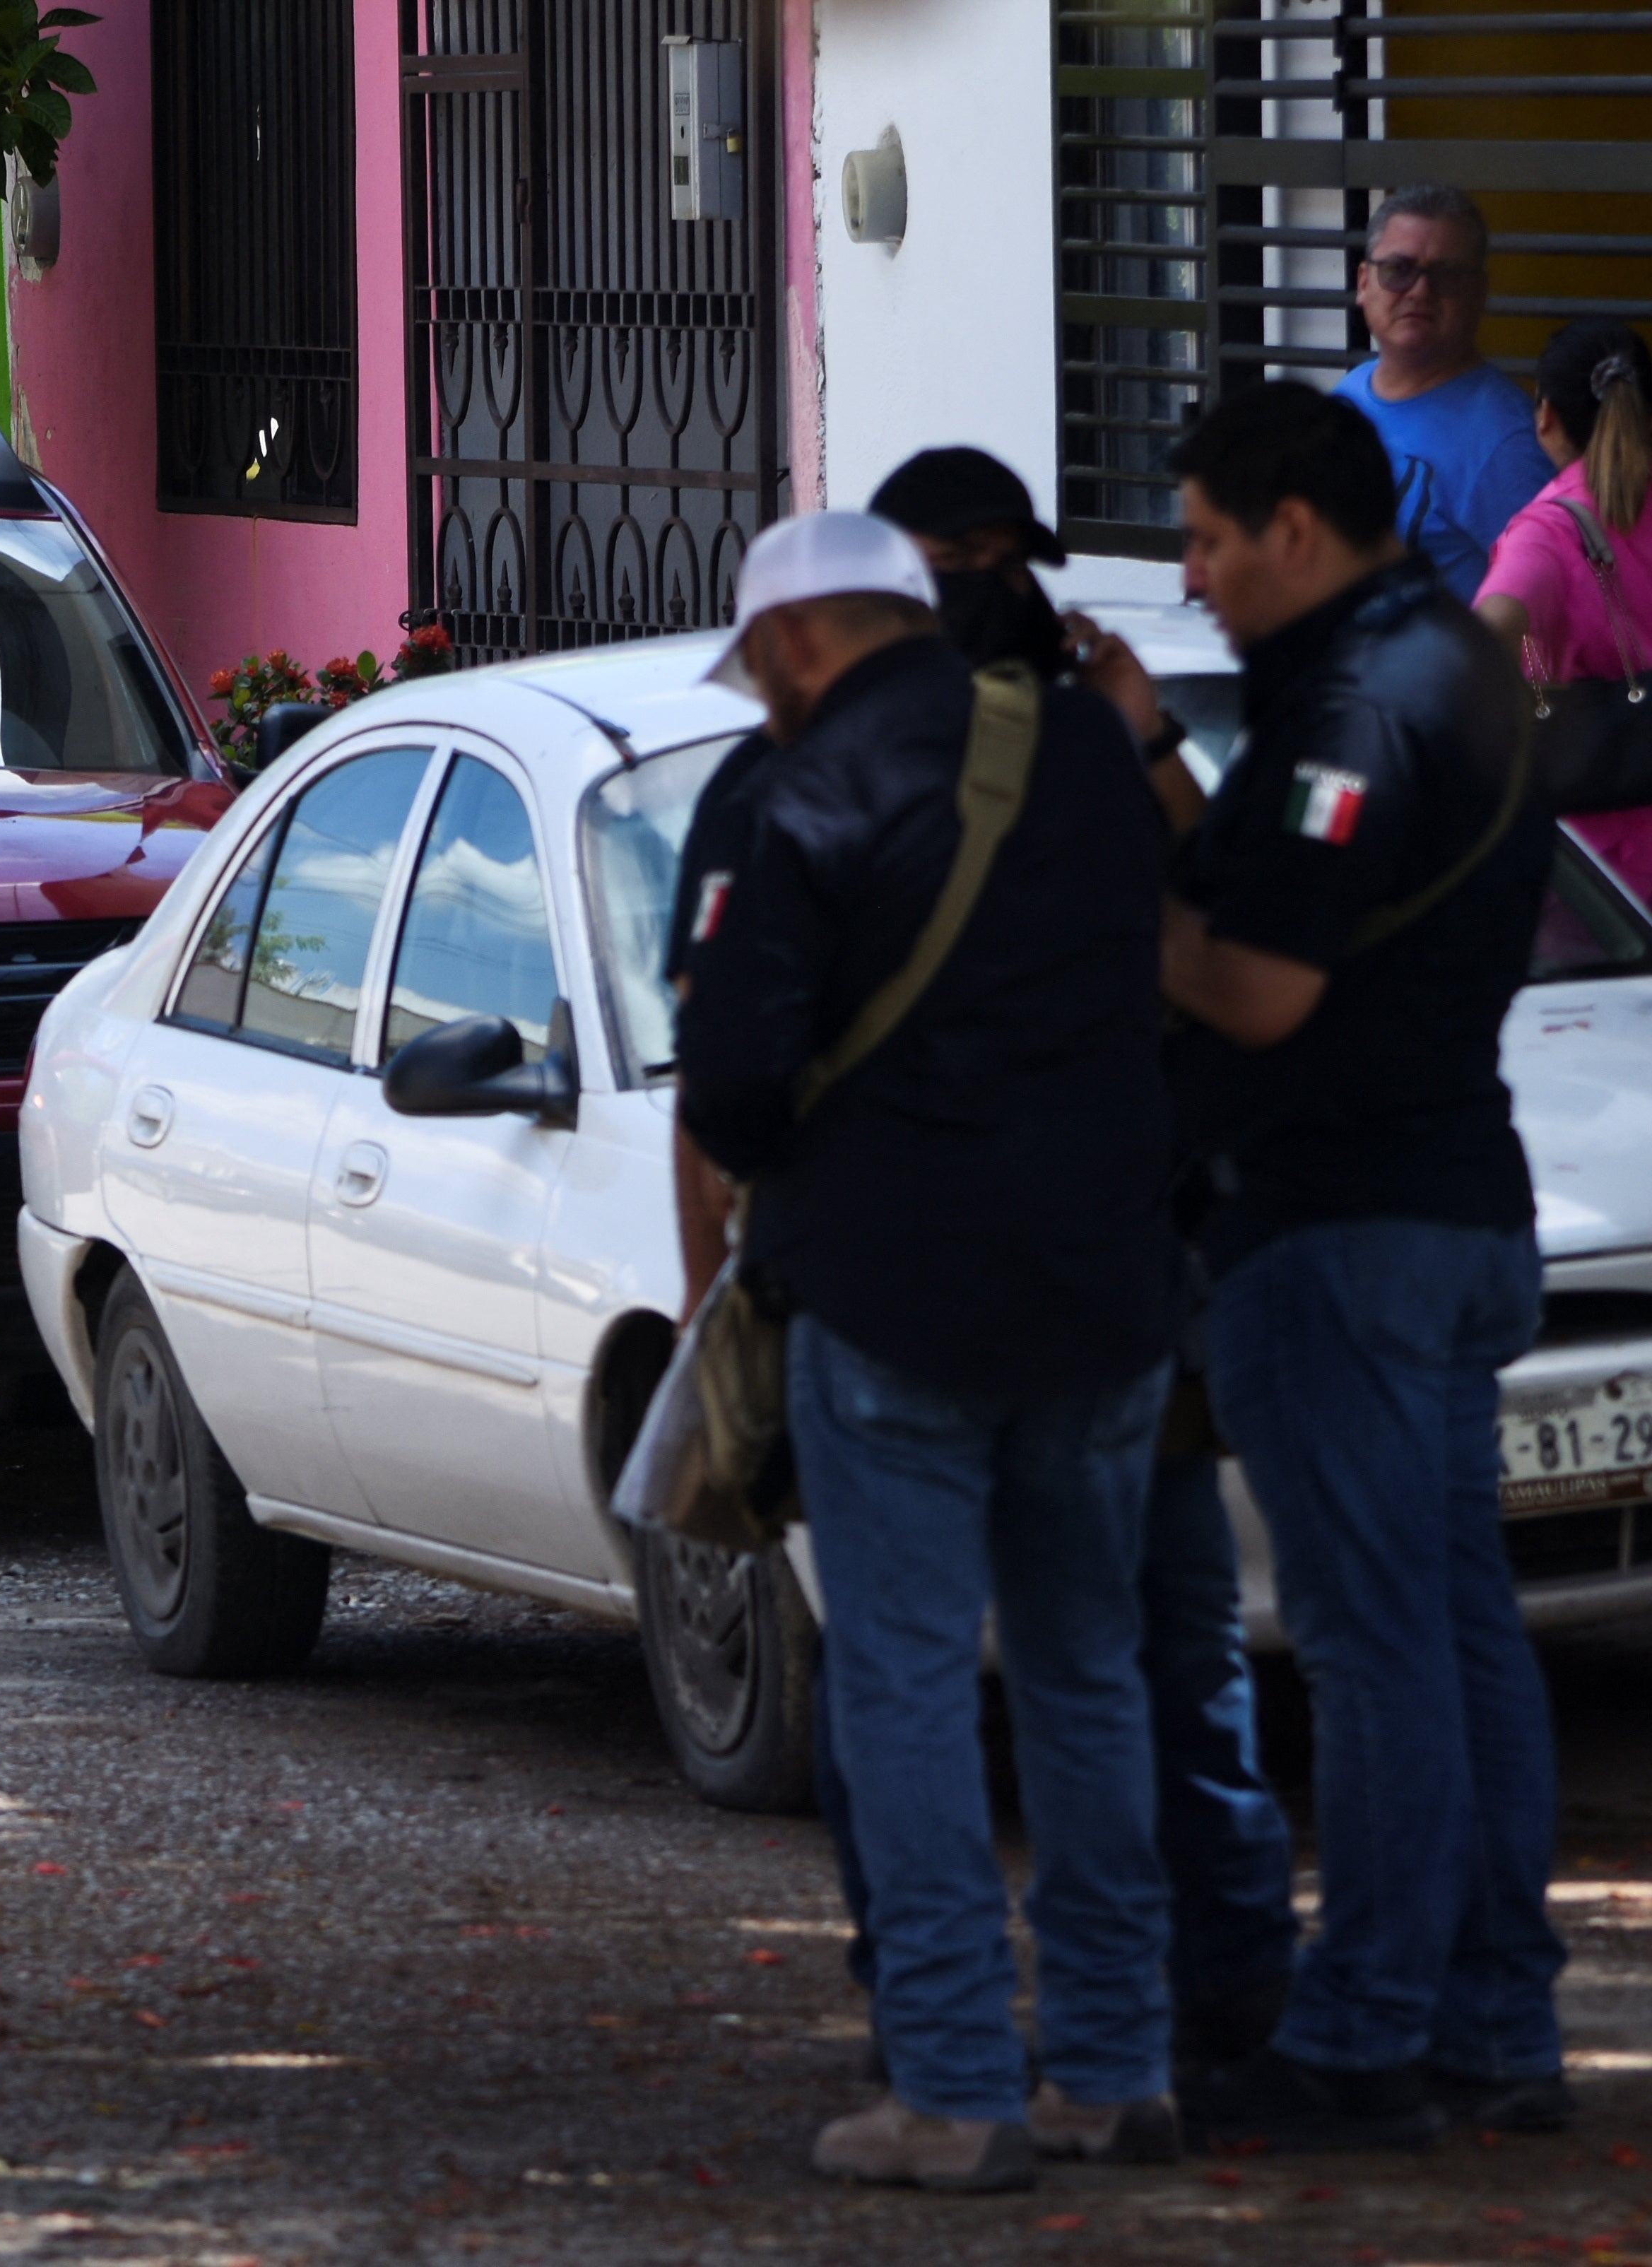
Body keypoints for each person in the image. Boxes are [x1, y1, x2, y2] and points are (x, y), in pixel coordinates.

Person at [673, 510, 1181, 2193]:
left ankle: (953, 2086)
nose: (758, 697)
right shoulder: (1090, 760)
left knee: (896, 1683)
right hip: (1106, 1284)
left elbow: (731, 1081)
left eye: (757, 664)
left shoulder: (796, 796)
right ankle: (1112, 2068)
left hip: (891, 1292)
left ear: (801, 642)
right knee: (1087, 1677)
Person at [1160, 381, 1567, 2152]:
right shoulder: (1456, 664)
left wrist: (1117, 893)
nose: (1188, 582)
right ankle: (1491, 2029)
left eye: (1201, 540)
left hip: (1341, 1233)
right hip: (1454, 1204)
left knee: (1380, 1646)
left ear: (1292, 532)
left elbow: (1262, 984)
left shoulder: (1355, 706)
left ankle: (1363, 2036)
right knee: (1462, 1638)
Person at [863, 447, 1304, 2068]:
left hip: (1101, 1272)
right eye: (967, 559)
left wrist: (1145, 743)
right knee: (1056, 1664)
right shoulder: (880, 757)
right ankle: (1032, 2018)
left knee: (1126, 1654)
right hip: (1060, 1273)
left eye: (1008, 559)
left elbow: (1215, 912)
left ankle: (1182, 1996)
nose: (1002, 589)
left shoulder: (1075, 756)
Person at [1475, 319, 1652, 902]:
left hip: (1584, 873)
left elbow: (1492, 633)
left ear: (1545, 418)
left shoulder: (1545, 534)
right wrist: (1635, 371)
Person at [1333, 186, 1556, 601]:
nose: (1420, 291)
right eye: (1399, 269)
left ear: (1479, 293)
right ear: (1364, 282)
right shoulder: (1346, 396)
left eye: (1447, 276)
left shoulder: (1508, 445)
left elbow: (1545, 617)